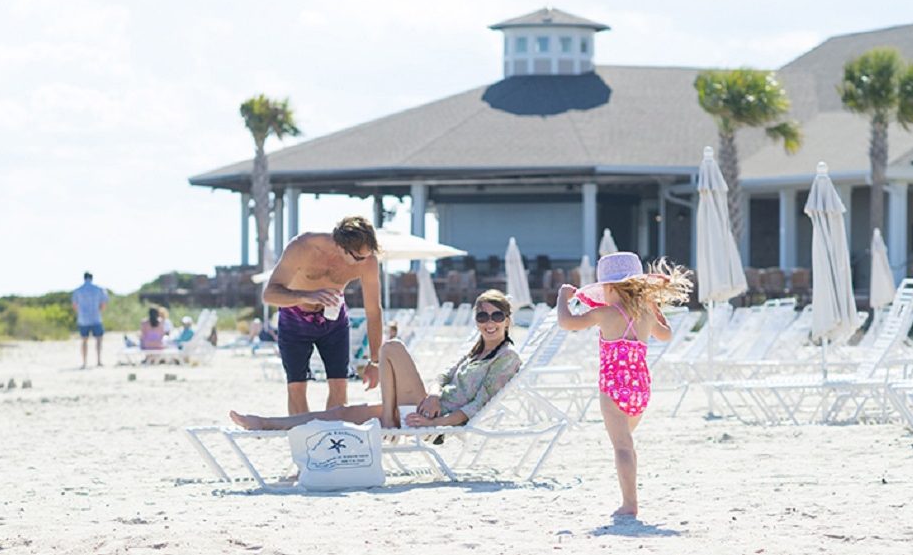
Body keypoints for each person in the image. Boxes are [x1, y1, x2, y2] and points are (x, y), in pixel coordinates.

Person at [231, 289, 520, 430]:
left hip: (433, 419)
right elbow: (443, 377)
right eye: (483, 315)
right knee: (341, 414)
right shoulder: (475, 348)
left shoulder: (507, 358)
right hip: (426, 405)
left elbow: (477, 405)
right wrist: (433, 394)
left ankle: (388, 417)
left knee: (391, 347)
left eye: (496, 316)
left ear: (508, 320)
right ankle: (265, 423)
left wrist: (436, 423)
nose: (489, 322)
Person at [556, 252, 691, 520]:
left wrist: (563, 298)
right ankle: (630, 498)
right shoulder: (645, 315)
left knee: (622, 447)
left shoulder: (604, 313)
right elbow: (666, 336)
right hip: (640, 390)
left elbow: (567, 322)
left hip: (613, 389)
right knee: (627, 445)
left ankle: (630, 503)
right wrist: (654, 308)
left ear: (607, 288)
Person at [262, 216, 385, 415]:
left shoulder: (368, 261)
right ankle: (304, 441)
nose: (365, 261)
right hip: (295, 317)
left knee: (339, 384)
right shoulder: (303, 247)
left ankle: (331, 438)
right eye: (359, 257)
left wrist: (375, 360)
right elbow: (269, 294)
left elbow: (374, 311)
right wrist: (307, 296)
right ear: (341, 246)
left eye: (368, 254)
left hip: (333, 317)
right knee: (297, 386)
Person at [71, 272, 110, 368]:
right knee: (99, 340)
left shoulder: (78, 290)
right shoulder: (99, 289)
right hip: (96, 317)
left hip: (83, 319)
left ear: (84, 278)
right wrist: (98, 311)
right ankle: (99, 361)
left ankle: (84, 363)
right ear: (92, 278)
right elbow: (104, 303)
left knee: (84, 340)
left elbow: (74, 305)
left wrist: (80, 312)